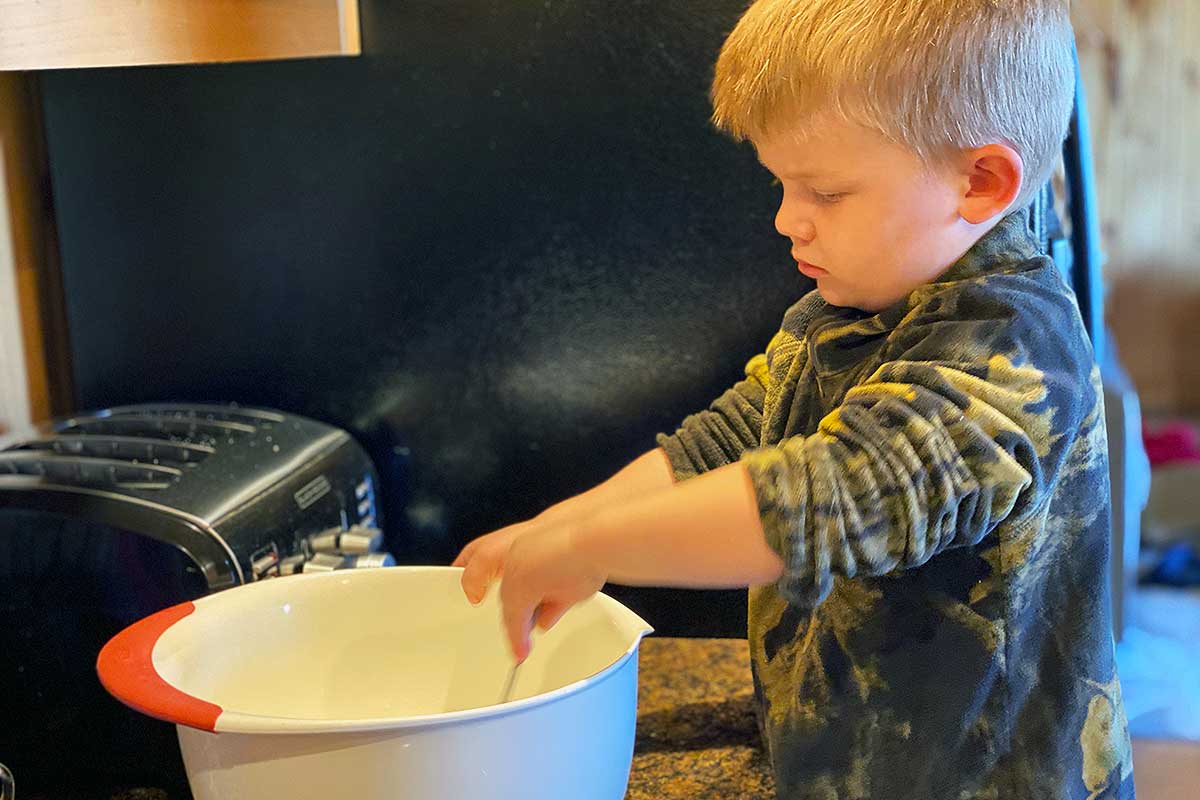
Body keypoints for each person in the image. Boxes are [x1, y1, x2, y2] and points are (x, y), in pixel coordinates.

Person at [453, 0, 1135, 796]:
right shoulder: (851, 307)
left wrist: (595, 547)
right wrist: (567, 522)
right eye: (782, 185)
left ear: (979, 181)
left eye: (825, 191)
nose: (787, 221)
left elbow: (843, 493)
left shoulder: (1015, 345)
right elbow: (741, 434)